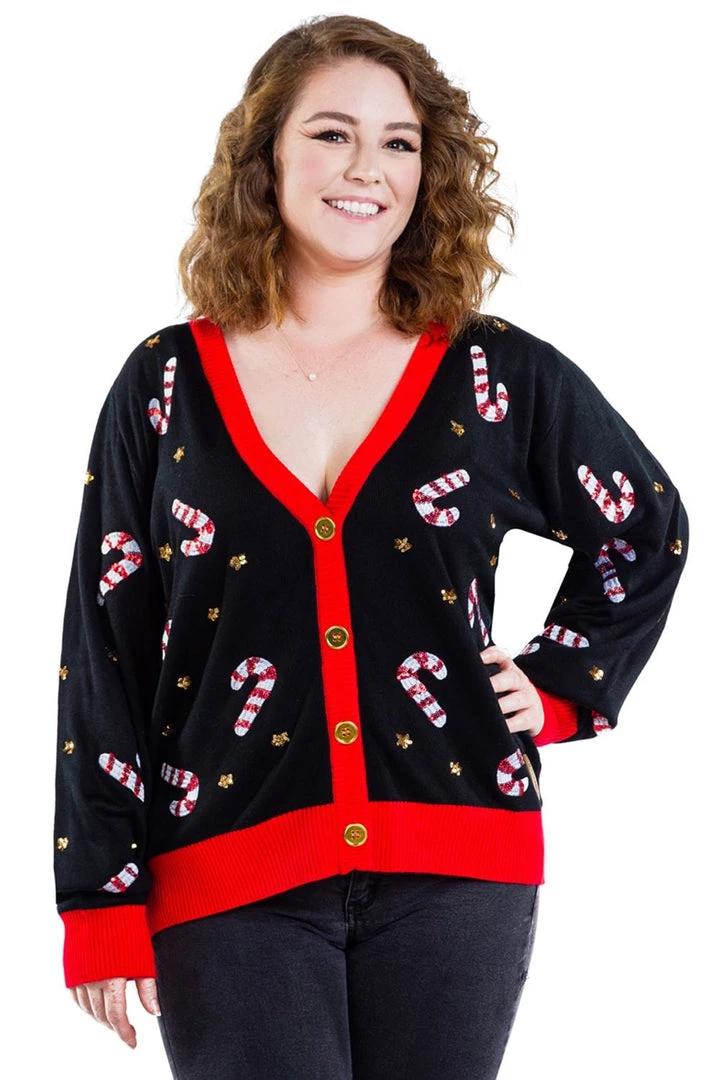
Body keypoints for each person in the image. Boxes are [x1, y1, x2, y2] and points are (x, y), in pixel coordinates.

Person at [53, 13, 689, 1080]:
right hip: (225, 878)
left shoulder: (496, 375)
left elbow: (643, 523)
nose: (367, 169)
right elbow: (105, 645)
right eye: (331, 134)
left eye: (399, 142)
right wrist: (98, 897)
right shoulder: (165, 384)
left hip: (461, 871)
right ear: (266, 155)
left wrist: (560, 685)